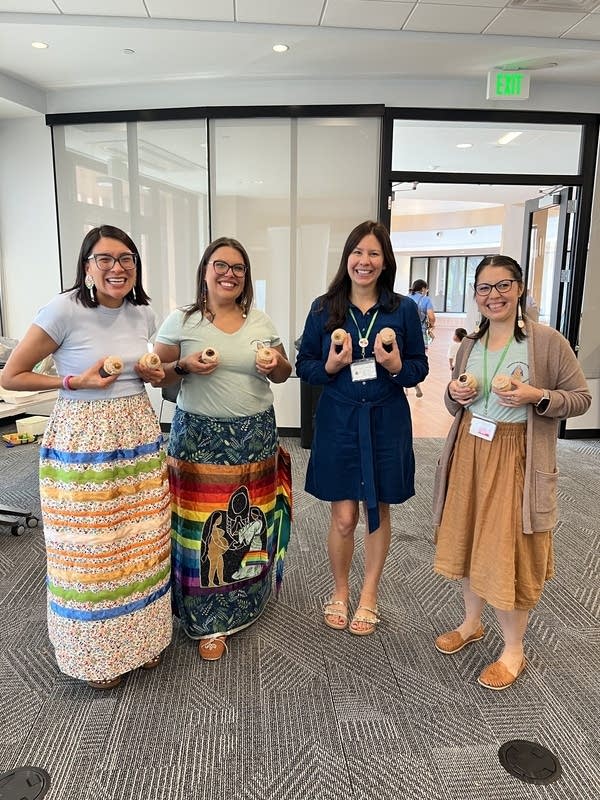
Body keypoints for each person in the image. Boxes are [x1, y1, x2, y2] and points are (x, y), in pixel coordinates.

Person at [1, 225, 172, 689]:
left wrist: (157, 374)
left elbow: (147, 375)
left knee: (143, 539)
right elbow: (11, 377)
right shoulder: (63, 309)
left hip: (137, 434)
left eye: (127, 259)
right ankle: (96, 656)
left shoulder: (144, 313)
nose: (117, 268)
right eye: (105, 259)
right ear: (87, 266)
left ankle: (142, 639)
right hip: (83, 440)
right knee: (91, 548)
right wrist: (74, 382)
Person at [432, 255, 591, 690]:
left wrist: (536, 395)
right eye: (484, 288)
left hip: (517, 454)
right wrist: (453, 392)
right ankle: (471, 624)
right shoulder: (471, 344)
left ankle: (513, 649)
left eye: (502, 285)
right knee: (468, 538)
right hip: (470, 450)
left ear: (519, 288)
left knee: (508, 550)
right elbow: (454, 406)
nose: (493, 295)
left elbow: (579, 398)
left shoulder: (545, 342)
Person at [153, 236, 292, 662]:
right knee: (203, 528)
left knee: (249, 523)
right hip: (199, 437)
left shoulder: (260, 322)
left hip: (255, 436)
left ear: (245, 277)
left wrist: (275, 365)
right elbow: (155, 373)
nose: (229, 274)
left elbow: (284, 373)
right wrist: (185, 366)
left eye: (238, 268)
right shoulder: (183, 321)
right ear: (206, 271)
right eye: (221, 265)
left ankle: (247, 602)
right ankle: (205, 619)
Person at [296, 220, 428, 635]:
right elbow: (306, 367)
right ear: (347, 258)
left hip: (386, 418)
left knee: (377, 508)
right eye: (358, 252)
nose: (364, 261)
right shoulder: (324, 307)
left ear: (385, 260)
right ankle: (340, 590)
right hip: (340, 418)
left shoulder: (402, 309)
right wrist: (332, 365)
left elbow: (418, 368)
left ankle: (369, 592)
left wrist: (395, 366)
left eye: (373, 253)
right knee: (343, 516)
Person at [408, 279, 436, 397]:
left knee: (405, 356)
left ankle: (405, 385)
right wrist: (431, 326)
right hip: (419, 333)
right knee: (419, 358)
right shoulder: (426, 300)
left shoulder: (406, 298)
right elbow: (431, 316)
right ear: (423, 289)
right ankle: (415, 381)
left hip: (405, 332)